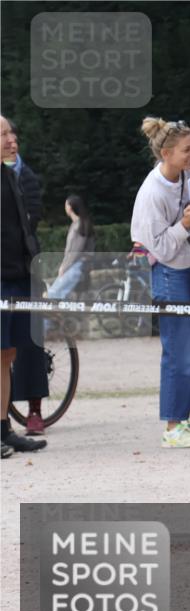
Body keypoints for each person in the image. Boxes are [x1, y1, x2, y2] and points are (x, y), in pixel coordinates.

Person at [131, 117, 190, 449]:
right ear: (167, 153)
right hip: (169, 271)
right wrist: (186, 225)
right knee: (181, 353)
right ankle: (174, 425)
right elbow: (158, 249)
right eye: (187, 150)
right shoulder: (151, 193)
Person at [0, 115, 47, 458]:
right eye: (2, 134)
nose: (10, 139)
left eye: (11, 132)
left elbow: (26, 226)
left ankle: (4, 430)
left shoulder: (11, 175)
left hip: (18, 275)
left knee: (7, 355)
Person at [47, 195, 95, 299]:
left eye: (66, 205)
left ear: (70, 207)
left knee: (54, 294)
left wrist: (64, 266)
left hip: (76, 266)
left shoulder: (80, 225)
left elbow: (75, 251)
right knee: (60, 295)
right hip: (75, 265)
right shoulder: (77, 224)